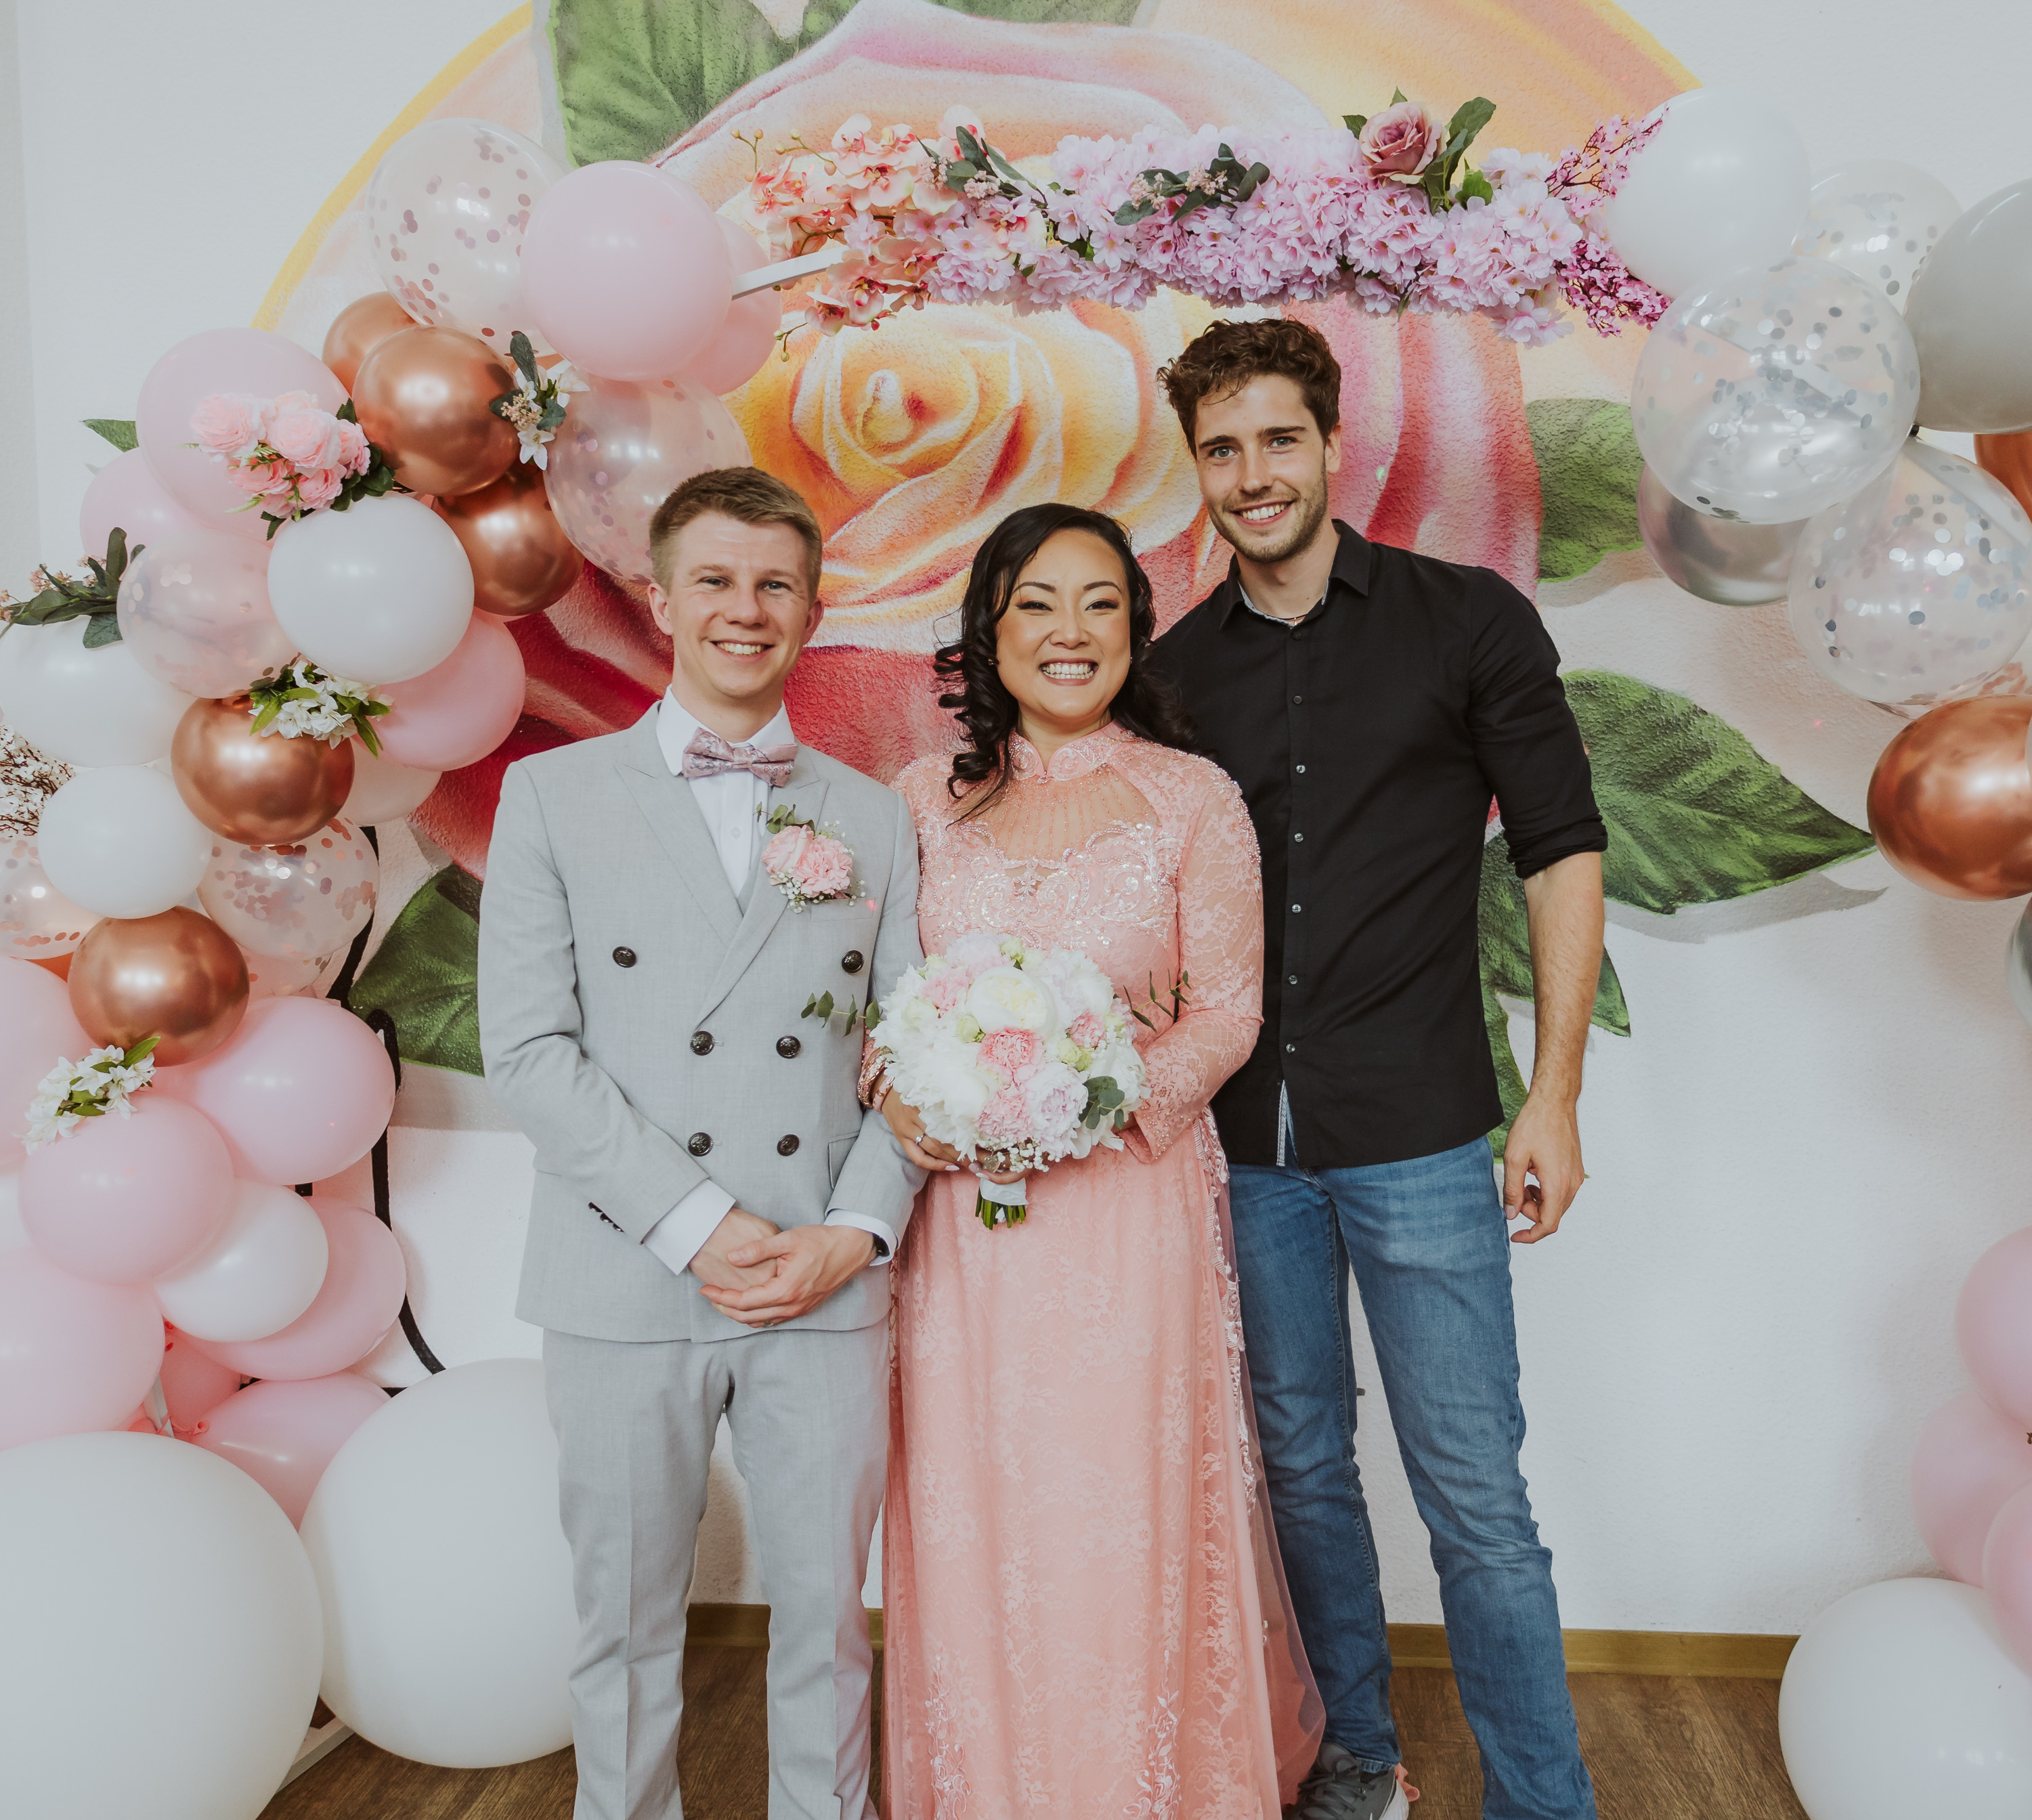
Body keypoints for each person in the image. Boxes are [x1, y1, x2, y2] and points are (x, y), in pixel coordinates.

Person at [1148, 319, 1611, 1820]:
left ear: (1332, 444)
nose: (1252, 474)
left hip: (1421, 1129)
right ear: (1198, 467)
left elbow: (1560, 849)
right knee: (1299, 1468)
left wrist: (1555, 1095)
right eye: (1221, 449)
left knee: (1475, 1495)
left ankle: (1542, 1800)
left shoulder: (1466, 620)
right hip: (1246, 1150)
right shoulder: (1172, 674)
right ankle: (1356, 1763)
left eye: (1277, 439)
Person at [477, 467, 924, 1820]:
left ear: (812, 610)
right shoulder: (550, 797)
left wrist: (853, 1232)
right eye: (716, 580)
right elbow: (530, 1052)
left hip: (820, 1278)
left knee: (829, 1625)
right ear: (661, 601)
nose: (746, 608)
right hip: (620, 1277)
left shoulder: (874, 816)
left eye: (776, 584)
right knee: (621, 1623)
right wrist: (700, 1224)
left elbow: (913, 1056)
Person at [871, 503, 1325, 1819]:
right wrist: (901, 1096)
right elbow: (877, 1006)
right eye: (1036, 603)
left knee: (1114, 1502)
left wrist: (1099, 1094)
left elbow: (1228, 1011)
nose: (1068, 632)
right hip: (961, 1226)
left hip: (1127, 1205)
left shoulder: (1193, 799)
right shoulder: (919, 802)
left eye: (1100, 604)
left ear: (1135, 629)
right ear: (989, 629)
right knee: (980, 1499)